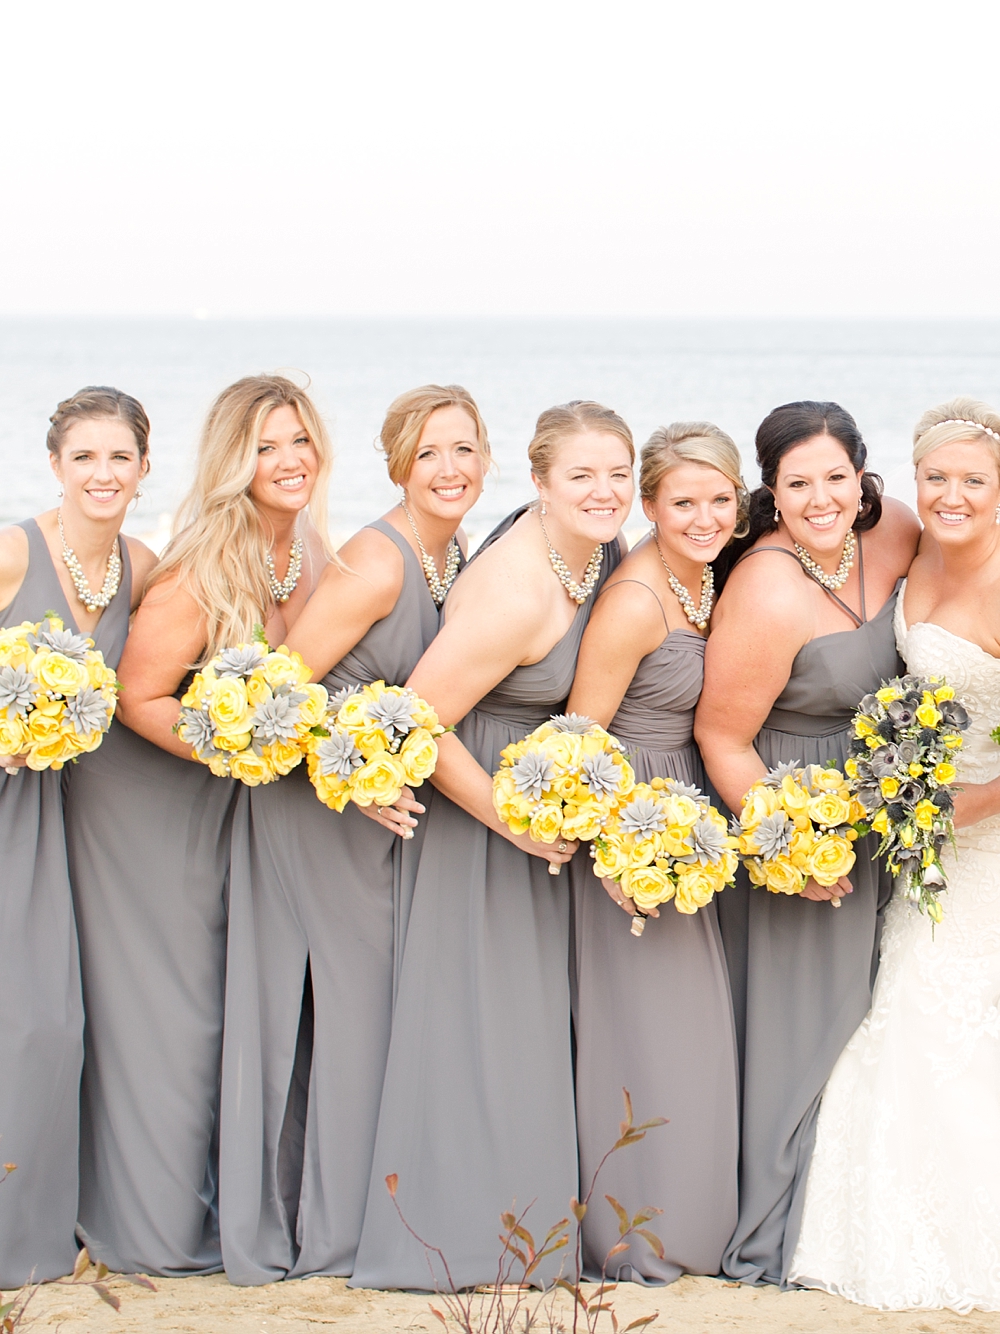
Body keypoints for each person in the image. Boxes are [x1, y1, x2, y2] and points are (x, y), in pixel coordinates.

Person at [786, 399, 1000, 1311]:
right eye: (936, 479)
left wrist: (982, 802)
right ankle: (883, 1230)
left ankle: (987, 1244)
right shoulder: (919, 548)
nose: (952, 496)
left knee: (940, 1008)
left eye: (973, 482)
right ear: (913, 483)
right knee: (901, 997)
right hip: (932, 837)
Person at [351, 402, 630, 1291]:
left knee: (526, 1032)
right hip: (478, 831)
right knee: (480, 1028)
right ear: (539, 484)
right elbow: (415, 723)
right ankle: (460, 1234)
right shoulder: (517, 589)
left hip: (534, 821)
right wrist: (508, 820)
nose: (604, 491)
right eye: (580, 475)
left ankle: (527, 1228)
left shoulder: (601, 555)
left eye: (618, 473)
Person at [219, 385, 487, 1283]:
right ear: (396, 466)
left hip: (381, 817)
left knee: (376, 1016)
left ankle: (364, 1215)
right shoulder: (378, 561)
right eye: (429, 455)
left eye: (464, 450)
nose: (448, 470)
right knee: (356, 1019)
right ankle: (337, 1239)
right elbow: (276, 694)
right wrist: (346, 771)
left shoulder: (456, 556)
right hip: (322, 814)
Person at [74, 374, 334, 1275]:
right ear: (233, 461)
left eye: (298, 439)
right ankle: (157, 1227)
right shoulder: (204, 563)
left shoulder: (309, 551)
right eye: (265, 447)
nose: (288, 460)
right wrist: (237, 754)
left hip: (247, 812)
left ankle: (242, 1203)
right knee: (180, 1018)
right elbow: (137, 697)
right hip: (162, 807)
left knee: (238, 1012)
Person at [0, 388, 154, 1286]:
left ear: (144, 467)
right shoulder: (0, 557)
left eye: (119, 458)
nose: (103, 475)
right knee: (0, 1019)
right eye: (84, 459)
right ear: (56, 467)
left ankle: (25, 1236)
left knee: (54, 1023)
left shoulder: (139, 563)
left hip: (47, 811)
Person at [696, 401, 917, 1286]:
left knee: (877, 1016)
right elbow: (722, 738)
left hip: (887, 806)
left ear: (863, 476)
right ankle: (776, 1222)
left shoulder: (894, 531)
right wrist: (792, 845)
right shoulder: (765, 586)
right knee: (805, 1029)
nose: (820, 499)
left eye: (836, 477)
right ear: (772, 494)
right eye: (797, 484)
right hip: (801, 805)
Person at [561, 423, 743, 1283]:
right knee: (647, 1036)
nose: (703, 517)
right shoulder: (636, 599)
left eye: (719, 500)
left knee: (690, 1034)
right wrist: (613, 853)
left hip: (689, 812)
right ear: (649, 506)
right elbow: (582, 739)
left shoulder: (707, 578)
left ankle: (688, 1225)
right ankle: (639, 1242)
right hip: (636, 822)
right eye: (683, 502)